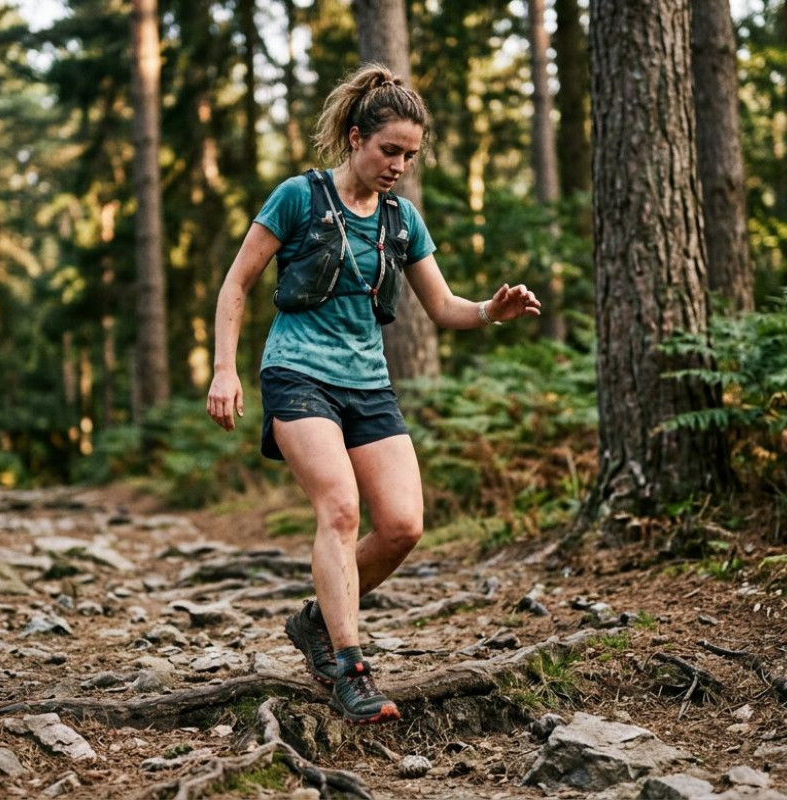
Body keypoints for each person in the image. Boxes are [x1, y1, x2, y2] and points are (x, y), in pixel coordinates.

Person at [205, 63, 542, 726]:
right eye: (390, 150)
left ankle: (314, 622)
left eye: (411, 156)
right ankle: (350, 667)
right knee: (339, 509)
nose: (400, 165)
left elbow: (443, 306)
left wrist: (488, 313)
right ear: (356, 137)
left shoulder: (401, 218)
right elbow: (236, 283)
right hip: (298, 375)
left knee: (403, 526)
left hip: (368, 384)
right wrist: (224, 369)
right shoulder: (297, 199)